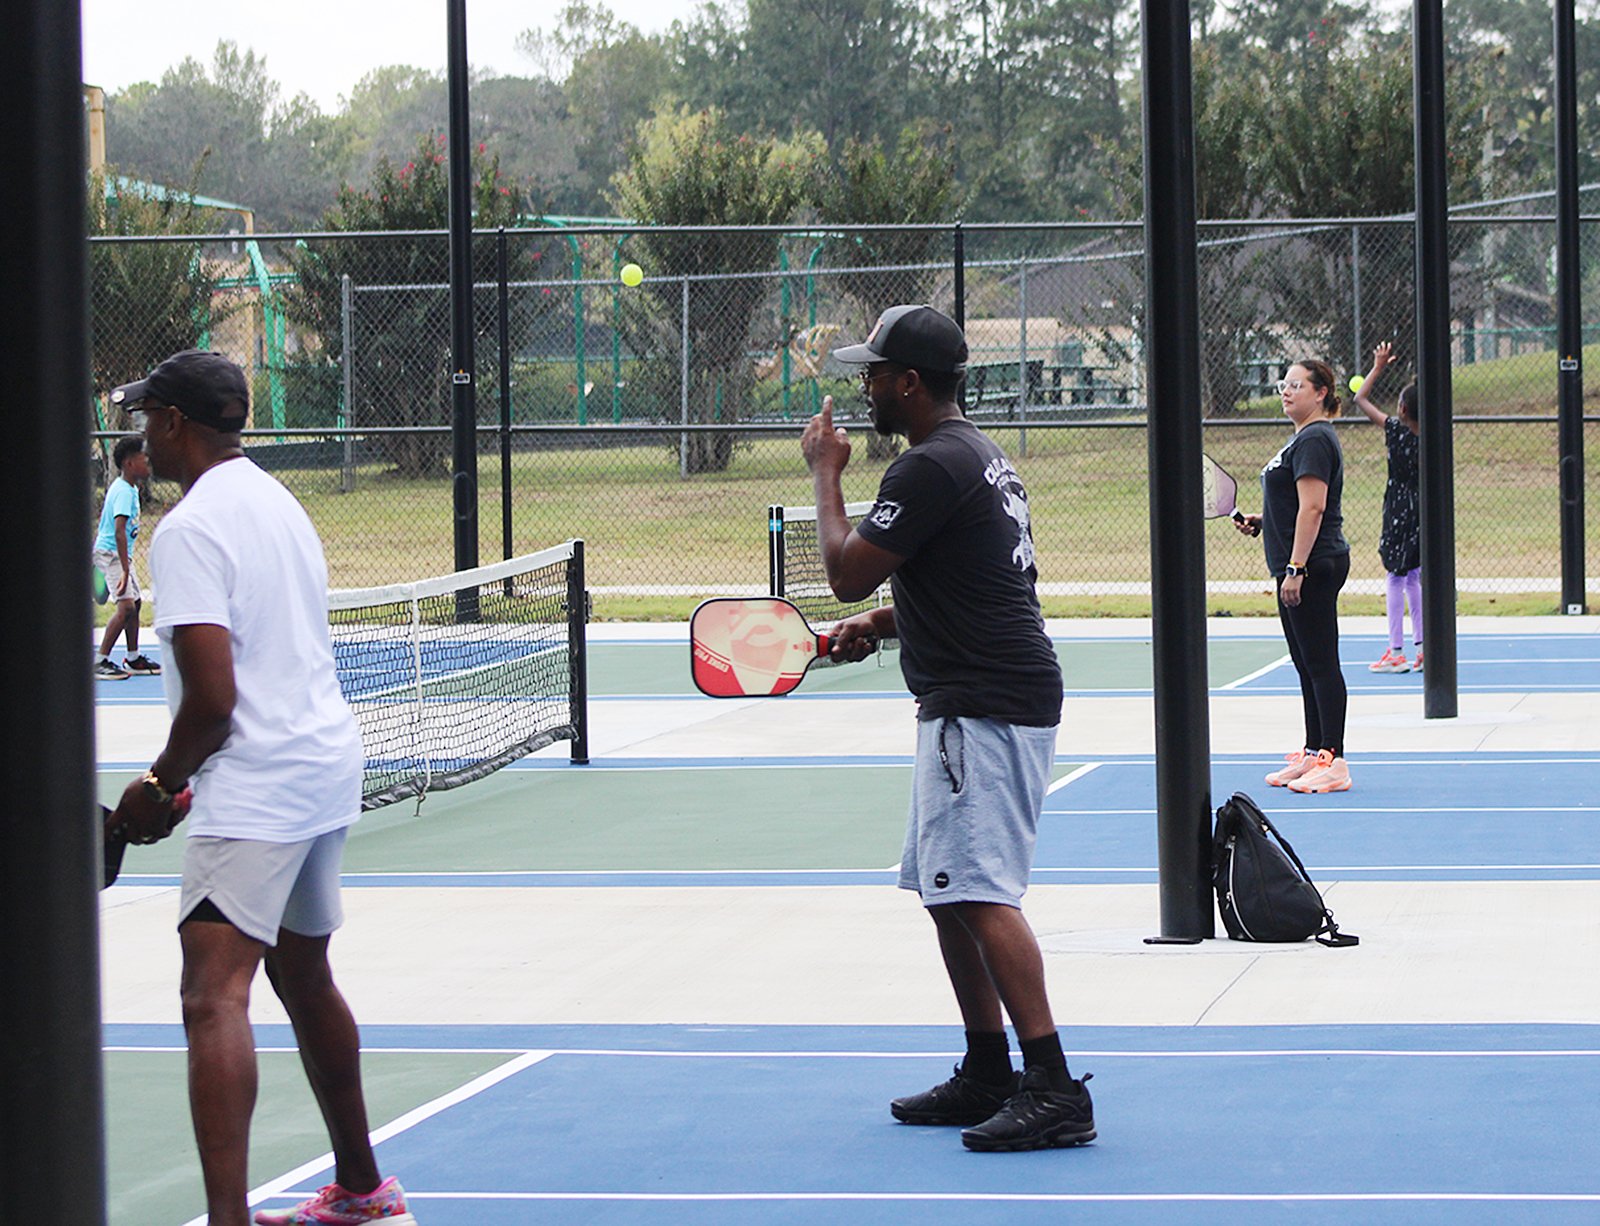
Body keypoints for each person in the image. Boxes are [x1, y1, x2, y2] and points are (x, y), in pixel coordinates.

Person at [106, 350, 414, 1226]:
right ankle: (363, 1191)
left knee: (212, 994)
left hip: (259, 779)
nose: (140, 435)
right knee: (303, 971)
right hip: (320, 766)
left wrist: (154, 788)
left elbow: (211, 701)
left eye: (146, 418)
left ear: (174, 423)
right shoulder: (279, 501)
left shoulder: (191, 529)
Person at [801, 304, 1094, 1152]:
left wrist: (825, 474)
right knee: (946, 892)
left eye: (875, 375)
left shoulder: (927, 467)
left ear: (911, 383)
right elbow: (968, 582)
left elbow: (847, 572)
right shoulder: (981, 456)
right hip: (976, 693)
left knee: (978, 892)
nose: (865, 389)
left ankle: (1052, 1086)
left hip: (985, 703)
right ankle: (987, 1069)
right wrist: (889, 626)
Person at [1234, 359, 1353, 794]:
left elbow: (1314, 507)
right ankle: (1313, 752)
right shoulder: (1302, 438)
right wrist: (1262, 520)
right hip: (1301, 563)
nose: (1286, 392)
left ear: (1320, 392)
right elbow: (1292, 504)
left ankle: (1334, 759)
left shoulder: (1317, 439)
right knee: (1306, 664)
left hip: (1315, 565)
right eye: (1283, 385)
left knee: (1321, 664)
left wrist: (1295, 568)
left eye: (1296, 385)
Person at [1352, 341, 1422, 673]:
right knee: (1416, 576)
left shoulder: (1395, 431)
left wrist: (1377, 367)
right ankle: (1423, 648)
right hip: (1423, 508)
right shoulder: (1432, 437)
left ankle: (1397, 651)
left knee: (1395, 576)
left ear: (1403, 410)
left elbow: (1360, 398)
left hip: (1398, 508)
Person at [92, 433, 161, 679]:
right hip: (110, 554)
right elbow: (119, 531)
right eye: (145, 458)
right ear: (130, 463)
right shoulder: (122, 491)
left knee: (136, 603)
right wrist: (123, 569)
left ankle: (133, 658)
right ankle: (100, 661)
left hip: (121, 555)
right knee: (126, 607)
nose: (149, 462)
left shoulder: (131, 488)